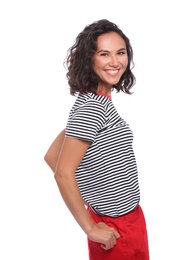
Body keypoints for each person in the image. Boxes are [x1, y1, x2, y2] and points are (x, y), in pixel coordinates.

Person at [44, 19, 150, 260]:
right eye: (104, 54)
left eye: (120, 53)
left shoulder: (94, 102)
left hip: (123, 221)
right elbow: (62, 172)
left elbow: (52, 156)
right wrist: (90, 227)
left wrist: (93, 204)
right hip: (117, 227)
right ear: (89, 59)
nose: (115, 62)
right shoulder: (92, 108)